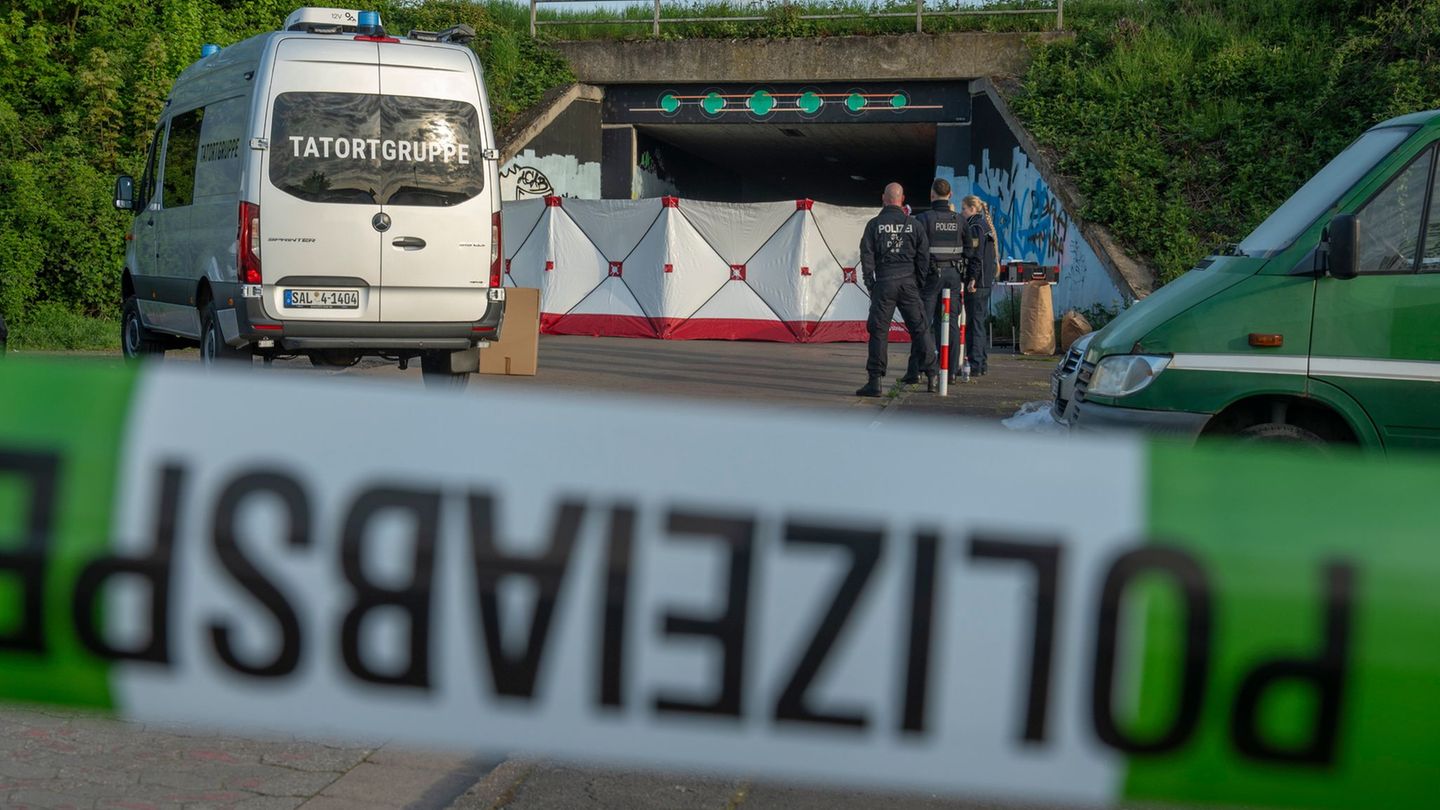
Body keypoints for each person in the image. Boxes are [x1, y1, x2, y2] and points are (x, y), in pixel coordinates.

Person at [855, 183, 936, 397]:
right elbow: (924, 256)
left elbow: (867, 256)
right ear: (902, 199)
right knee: (920, 329)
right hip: (908, 281)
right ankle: (932, 376)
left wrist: (871, 283)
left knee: (879, 331)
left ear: (884, 198)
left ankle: (875, 382)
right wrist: (917, 282)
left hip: (884, 281)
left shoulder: (874, 225)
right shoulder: (914, 224)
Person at [905, 179, 966, 384]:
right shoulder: (959, 220)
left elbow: (915, 251)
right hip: (954, 276)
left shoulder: (923, 219)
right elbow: (970, 249)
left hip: (931, 277)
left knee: (923, 323)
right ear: (950, 195)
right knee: (951, 324)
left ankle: (917, 370)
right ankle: (950, 372)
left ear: (932, 195)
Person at [961, 194, 1000, 377]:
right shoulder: (985, 226)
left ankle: (975, 364)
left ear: (972, 209)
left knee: (974, 324)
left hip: (978, 282)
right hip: (986, 281)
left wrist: (972, 279)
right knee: (979, 323)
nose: (962, 212)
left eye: (964, 209)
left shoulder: (975, 227)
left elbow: (975, 256)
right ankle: (982, 363)